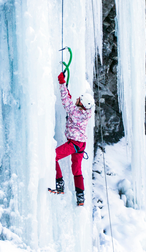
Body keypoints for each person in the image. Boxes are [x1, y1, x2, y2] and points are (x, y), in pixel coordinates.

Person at [49, 71, 94, 206]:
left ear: (81, 104)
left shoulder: (76, 112)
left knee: (53, 156)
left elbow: (66, 103)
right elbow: (71, 103)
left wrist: (62, 83)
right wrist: (67, 90)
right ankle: (80, 198)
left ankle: (59, 184)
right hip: (81, 144)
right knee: (77, 170)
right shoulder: (86, 111)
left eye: (79, 100)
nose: (77, 99)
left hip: (74, 144)